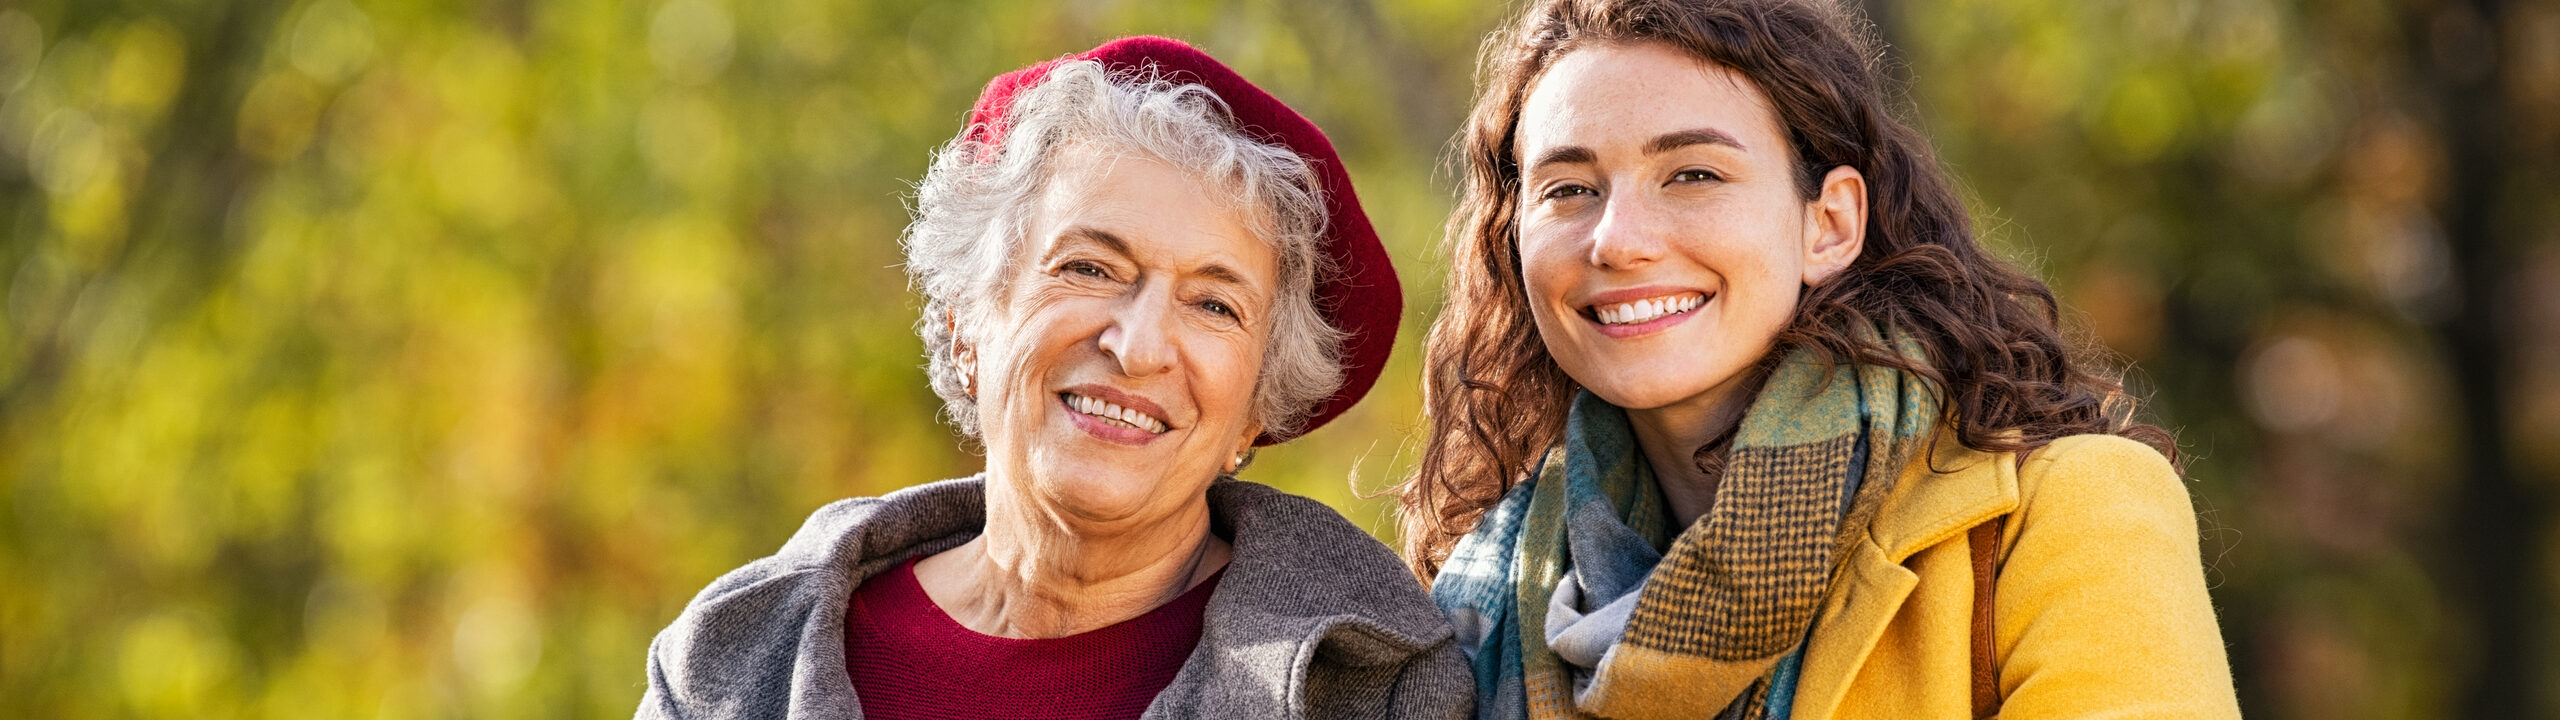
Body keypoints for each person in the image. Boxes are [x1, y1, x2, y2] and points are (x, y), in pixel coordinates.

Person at [1401, 1, 2241, 718]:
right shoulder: (1471, 601)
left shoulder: (2062, 515)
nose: (1618, 240)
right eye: (1569, 190)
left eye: (1692, 174)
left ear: (1829, 224)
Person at [638, 37, 1468, 719]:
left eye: (1214, 306)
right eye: (1090, 268)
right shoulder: (735, 660)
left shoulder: (1373, 683)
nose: (1139, 346)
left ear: (1256, 410)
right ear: (968, 320)